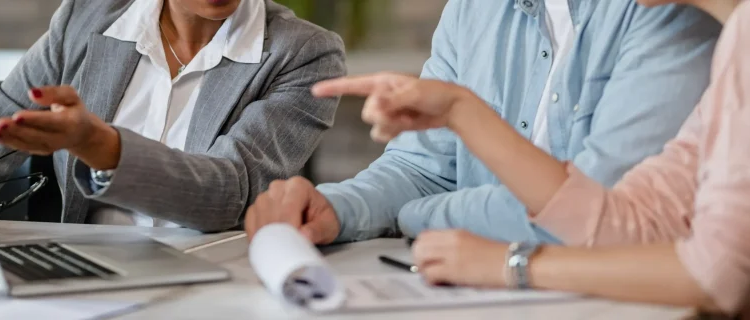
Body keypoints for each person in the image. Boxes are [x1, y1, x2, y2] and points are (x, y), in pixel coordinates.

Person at [306, 0, 750, 315]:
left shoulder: (688, 22)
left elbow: (716, 273)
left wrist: (509, 263)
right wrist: (338, 207)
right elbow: (629, 217)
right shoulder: (738, 41)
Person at [244, 0, 721, 245]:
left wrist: (417, 218)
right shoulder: (473, 9)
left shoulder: (667, 9)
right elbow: (423, 169)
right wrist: (337, 207)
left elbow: (600, 213)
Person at [0, 0, 346, 244]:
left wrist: (103, 147)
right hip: (84, 275)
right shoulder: (85, 20)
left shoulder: (305, 54)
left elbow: (229, 194)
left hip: (214, 283)